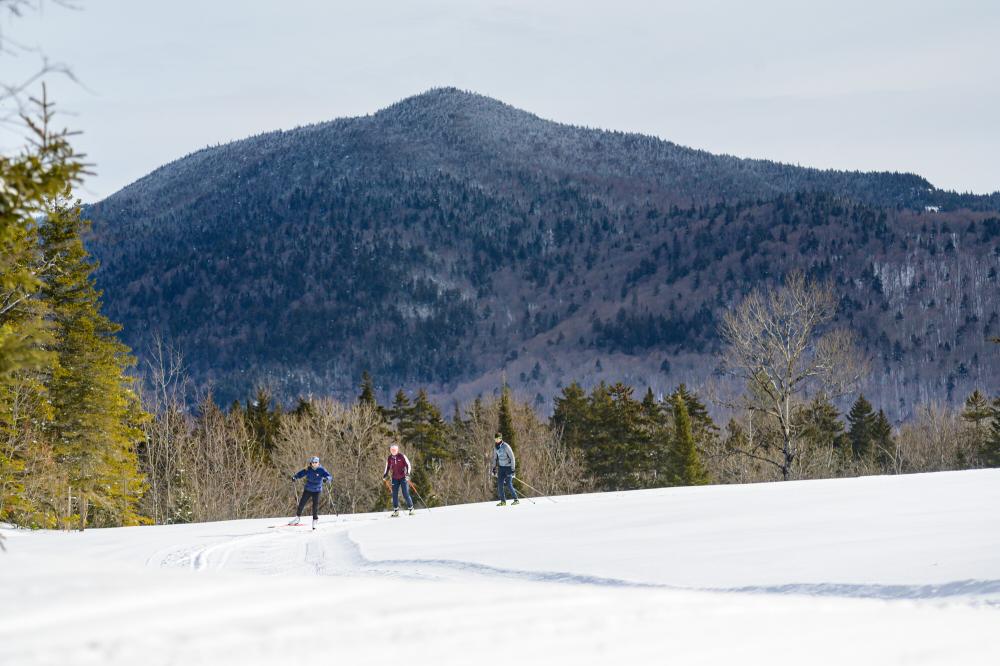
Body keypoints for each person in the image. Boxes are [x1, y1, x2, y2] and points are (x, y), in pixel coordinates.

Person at [290, 456, 332, 529]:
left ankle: (315, 520)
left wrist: (326, 479)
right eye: (313, 462)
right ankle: (297, 518)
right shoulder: (308, 469)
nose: (314, 464)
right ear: (311, 463)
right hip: (308, 489)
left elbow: (329, 476)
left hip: (317, 490)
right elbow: (301, 473)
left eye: (316, 462)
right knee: (302, 503)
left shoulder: (321, 470)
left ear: (318, 463)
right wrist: (295, 477)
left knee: (315, 506)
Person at [382, 444, 414, 517]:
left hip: (403, 477)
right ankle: (396, 510)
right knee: (394, 494)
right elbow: (387, 467)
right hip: (395, 478)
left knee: (405, 493)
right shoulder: (390, 458)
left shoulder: (402, 456)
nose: (393, 451)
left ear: (397, 450)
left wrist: (408, 474)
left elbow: (408, 465)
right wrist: (385, 475)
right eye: (391, 450)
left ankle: (411, 509)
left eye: (394, 450)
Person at [490, 432, 519, 506]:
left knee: (509, 484)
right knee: (500, 485)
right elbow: (494, 458)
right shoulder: (495, 448)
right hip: (501, 468)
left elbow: (512, 458)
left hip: (508, 467)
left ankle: (516, 499)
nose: (496, 440)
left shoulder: (506, 446)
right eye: (495, 439)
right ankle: (503, 501)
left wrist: (512, 469)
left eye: (498, 439)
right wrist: (493, 468)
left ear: (501, 439)